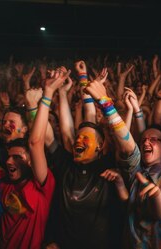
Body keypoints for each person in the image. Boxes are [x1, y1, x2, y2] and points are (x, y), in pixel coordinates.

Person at [0, 69, 64, 248]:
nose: (10, 161)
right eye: (9, 157)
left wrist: (47, 94)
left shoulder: (42, 185)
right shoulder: (3, 182)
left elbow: (36, 142)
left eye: (17, 157)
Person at [44, 63, 126, 249]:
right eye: (77, 137)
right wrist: (58, 93)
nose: (77, 140)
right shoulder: (66, 164)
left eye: (85, 138)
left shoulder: (107, 166)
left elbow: (89, 116)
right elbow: (64, 133)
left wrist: (84, 79)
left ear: (101, 146)